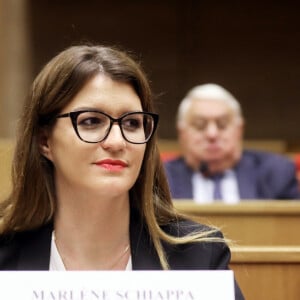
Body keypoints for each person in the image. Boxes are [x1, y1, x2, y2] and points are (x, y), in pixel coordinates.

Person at [0, 45, 244, 299]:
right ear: (44, 141)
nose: (117, 142)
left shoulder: (199, 257)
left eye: (131, 123)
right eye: (91, 121)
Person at [164, 83, 300, 203]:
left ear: (239, 130)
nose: (212, 134)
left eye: (222, 125)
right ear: (181, 133)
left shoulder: (275, 172)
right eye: (200, 126)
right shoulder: (161, 178)